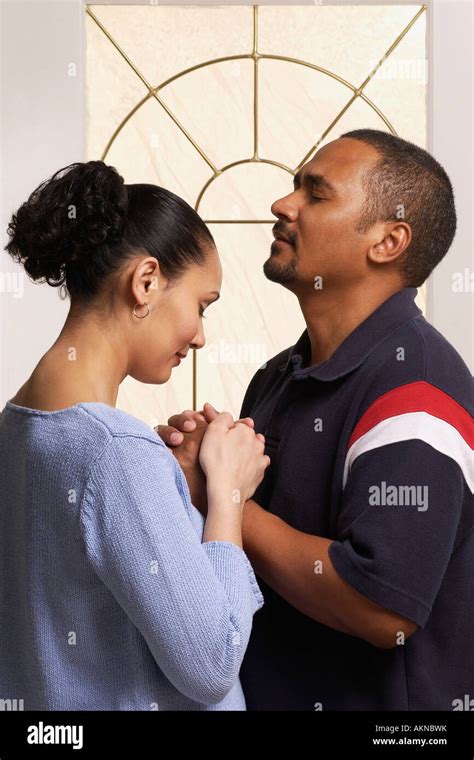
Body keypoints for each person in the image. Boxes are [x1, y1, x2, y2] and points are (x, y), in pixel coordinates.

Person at [159, 129, 474, 711]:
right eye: (292, 186)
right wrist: (192, 465)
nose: (283, 204)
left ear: (388, 240)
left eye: (316, 193)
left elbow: (385, 608)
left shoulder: (418, 386)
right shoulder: (278, 375)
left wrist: (221, 496)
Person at [0, 161, 270, 711]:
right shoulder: (116, 452)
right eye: (201, 305)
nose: (199, 336)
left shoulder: (17, 427)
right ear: (145, 282)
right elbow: (213, 663)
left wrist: (174, 489)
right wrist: (228, 494)